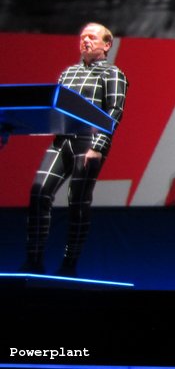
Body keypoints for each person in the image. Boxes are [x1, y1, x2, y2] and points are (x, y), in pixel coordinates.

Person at [19, 23, 128, 277]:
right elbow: (56, 107)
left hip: (89, 141)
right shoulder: (68, 73)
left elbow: (114, 111)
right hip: (63, 139)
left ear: (106, 45)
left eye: (92, 37)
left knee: (77, 200)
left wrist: (99, 146)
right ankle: (34, 260)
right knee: (39, 191)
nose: (86, 41)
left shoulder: (113, 73)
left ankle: (69, 264)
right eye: (83, 38)